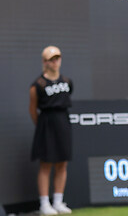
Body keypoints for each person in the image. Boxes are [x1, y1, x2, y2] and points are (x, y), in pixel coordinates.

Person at [29, 46, 73, 215]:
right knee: (46, 164)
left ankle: (58, 202)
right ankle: (44, 204)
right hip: (46, 125)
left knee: (62, 163)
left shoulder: (67, 81)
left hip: (63, 123)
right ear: (45, 62)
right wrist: (41, 126)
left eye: (57, 58)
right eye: (51, 59)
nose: (55, 62)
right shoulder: (37, 85)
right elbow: (32, 109)